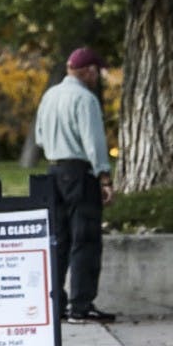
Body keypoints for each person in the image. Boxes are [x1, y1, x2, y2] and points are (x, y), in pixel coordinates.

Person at [34, 47, 116, 324]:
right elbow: (93, 142)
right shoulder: (85, 99)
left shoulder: (50, 96)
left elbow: (40, 138)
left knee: (58, 239)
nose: (97, 77)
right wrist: (104, 176)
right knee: (85, 238)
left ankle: (55, 303)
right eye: (97, 72)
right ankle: (81, 305)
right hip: (79, 172)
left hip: (53, 171)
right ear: (88, 70)